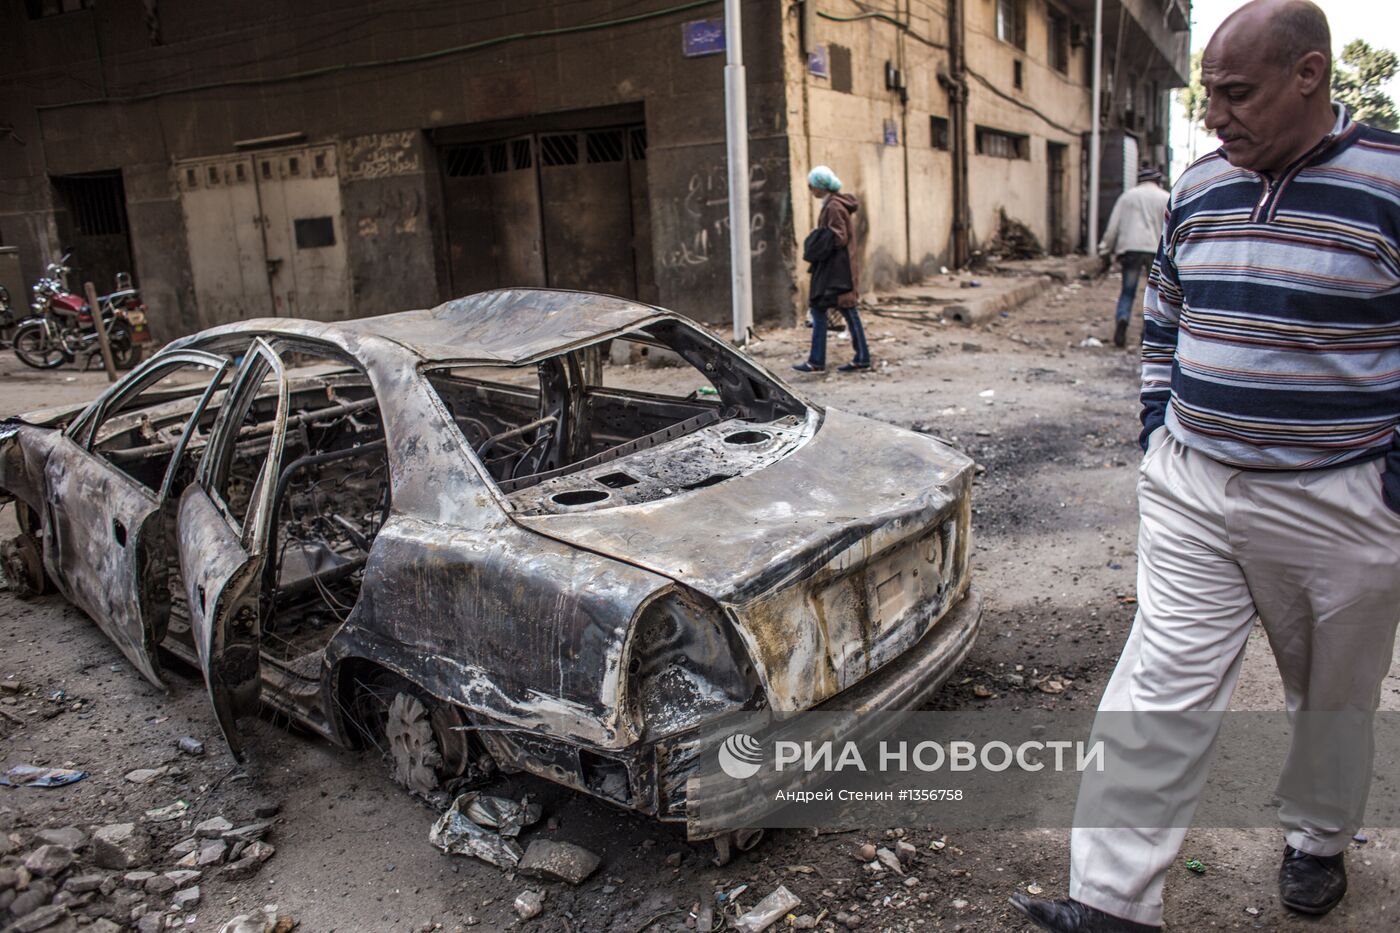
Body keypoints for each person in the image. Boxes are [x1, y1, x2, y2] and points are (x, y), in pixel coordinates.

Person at [1012, 1, 1400, 930]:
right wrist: (1158, 426)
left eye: (1236, 93)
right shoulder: (1198, 183)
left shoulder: (1392, 178)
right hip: (1194, 482)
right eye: (1211, 95)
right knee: (1159, 685)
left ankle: (1317, 839)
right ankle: (1112, 905)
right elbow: (1168, 312)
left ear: (1309, 75)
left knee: (1332, 693)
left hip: (1342, 496)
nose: (1215, 115)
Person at [793, 166, 871, 373]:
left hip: (837, 271)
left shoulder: (833, 207)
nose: (810, 190)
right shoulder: (834, 204)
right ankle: (855, 357)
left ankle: (820, 361)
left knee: (837, 309)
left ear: (819, 186)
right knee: (837, 310)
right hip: (837, 269)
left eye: (812, 186)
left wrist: (817, 241)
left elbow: (839, 237)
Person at [1098, 167, 1171, 348]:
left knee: (1127, 291)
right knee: (1153, 294)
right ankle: (1147, 331)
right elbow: (1172, 228)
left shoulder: (1127, 197)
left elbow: (1113, 226)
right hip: (1156, 250)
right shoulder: (1166, 197)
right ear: (1157, 181)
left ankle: (1122, 319)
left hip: (1130, 249)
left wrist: (1104, 249)